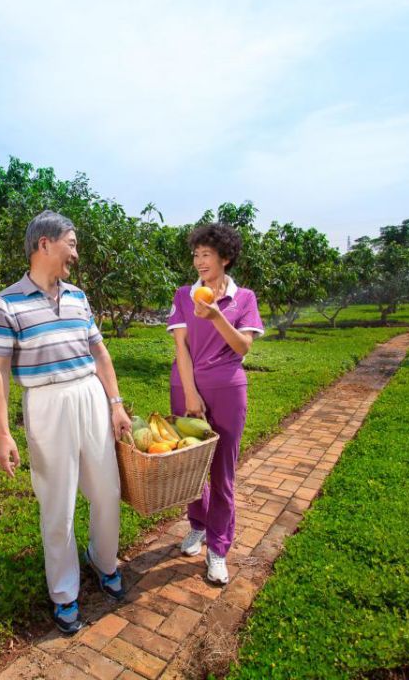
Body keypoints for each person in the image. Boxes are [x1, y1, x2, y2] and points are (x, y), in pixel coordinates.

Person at [0, 210, 133, 634]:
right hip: (46, 402)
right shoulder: (7, 301)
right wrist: (3, 433)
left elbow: (100, 353)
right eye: (71, 243)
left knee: (107, 490)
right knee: (58, 501)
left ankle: (104, 561)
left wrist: (116, 403)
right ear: (44, 244)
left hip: (89, 394)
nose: (76, 252)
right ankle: (65, 593)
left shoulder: (78, 296)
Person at [166, 223, 264, 584]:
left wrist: (217, 315)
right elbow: (181, 347)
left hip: (227, 388)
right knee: (190, 464)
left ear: (225, 258)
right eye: (196, 254)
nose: (199, 261)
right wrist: (190, 393)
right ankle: (199, 524)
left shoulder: (244, 298)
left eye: (206, 254)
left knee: (222, 470)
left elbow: (242, 347)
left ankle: (219, 549)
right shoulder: (184, 295)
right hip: (186, 385)